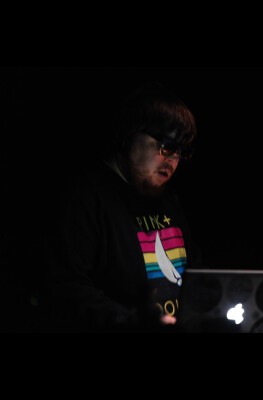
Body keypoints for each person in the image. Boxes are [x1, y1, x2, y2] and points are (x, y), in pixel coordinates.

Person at [43, 81, 199, 332]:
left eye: (181, 152)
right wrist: (132, 322)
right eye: (167, 146)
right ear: (130, 135)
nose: (173, 160)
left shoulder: (170, 202)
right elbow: (66, 288)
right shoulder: (87, 198)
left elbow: (196, 274)